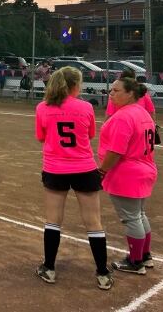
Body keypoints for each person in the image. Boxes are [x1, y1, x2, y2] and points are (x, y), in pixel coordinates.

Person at [34, 67, 112, 290]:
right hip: (84, 168)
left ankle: (49, 268)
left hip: (55, 168)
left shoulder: (43, 107)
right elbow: (89, 135)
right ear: (75, 85)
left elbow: (41, 137)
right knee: (93, 221)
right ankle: (103, 273)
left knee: (53, 220)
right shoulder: (86, 107)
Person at [98, 77, 158, 275]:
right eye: (111, 90)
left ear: (130, 93)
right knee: (139, 215)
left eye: (116, 90)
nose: (111, 94)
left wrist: (101, 172)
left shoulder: (124, 116)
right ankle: (145, 256)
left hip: (127, 173)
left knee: (131, 218)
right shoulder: (141, 112)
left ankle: (135, 261)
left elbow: (116, 151)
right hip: (144, 169)